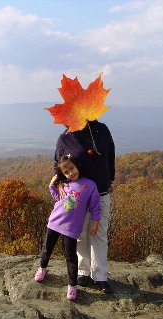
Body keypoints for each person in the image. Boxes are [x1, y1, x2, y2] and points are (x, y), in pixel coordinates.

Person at [54, 119, 115, 294]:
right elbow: (57, 163)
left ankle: (100, 276)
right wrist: (58, 183)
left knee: (99, 234)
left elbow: (110, 155)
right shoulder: (65, 138)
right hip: (77, 196)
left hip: (101, 192)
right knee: (80, 234)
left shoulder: (101, 130)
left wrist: (110, 178)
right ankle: (83, 271)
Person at [34, 154, 101, 301]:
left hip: (71, 228)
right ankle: (42, 268)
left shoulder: (90, 185)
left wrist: (96, 222)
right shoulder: (64, 183)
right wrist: (54, 182)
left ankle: (72, 285)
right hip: (55, 222)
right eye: (66, 172)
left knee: (70, 256)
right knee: (47, 249)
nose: (71, 173)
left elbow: (95, 207)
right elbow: (58, 197)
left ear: (77, 165)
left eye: (72, 168)